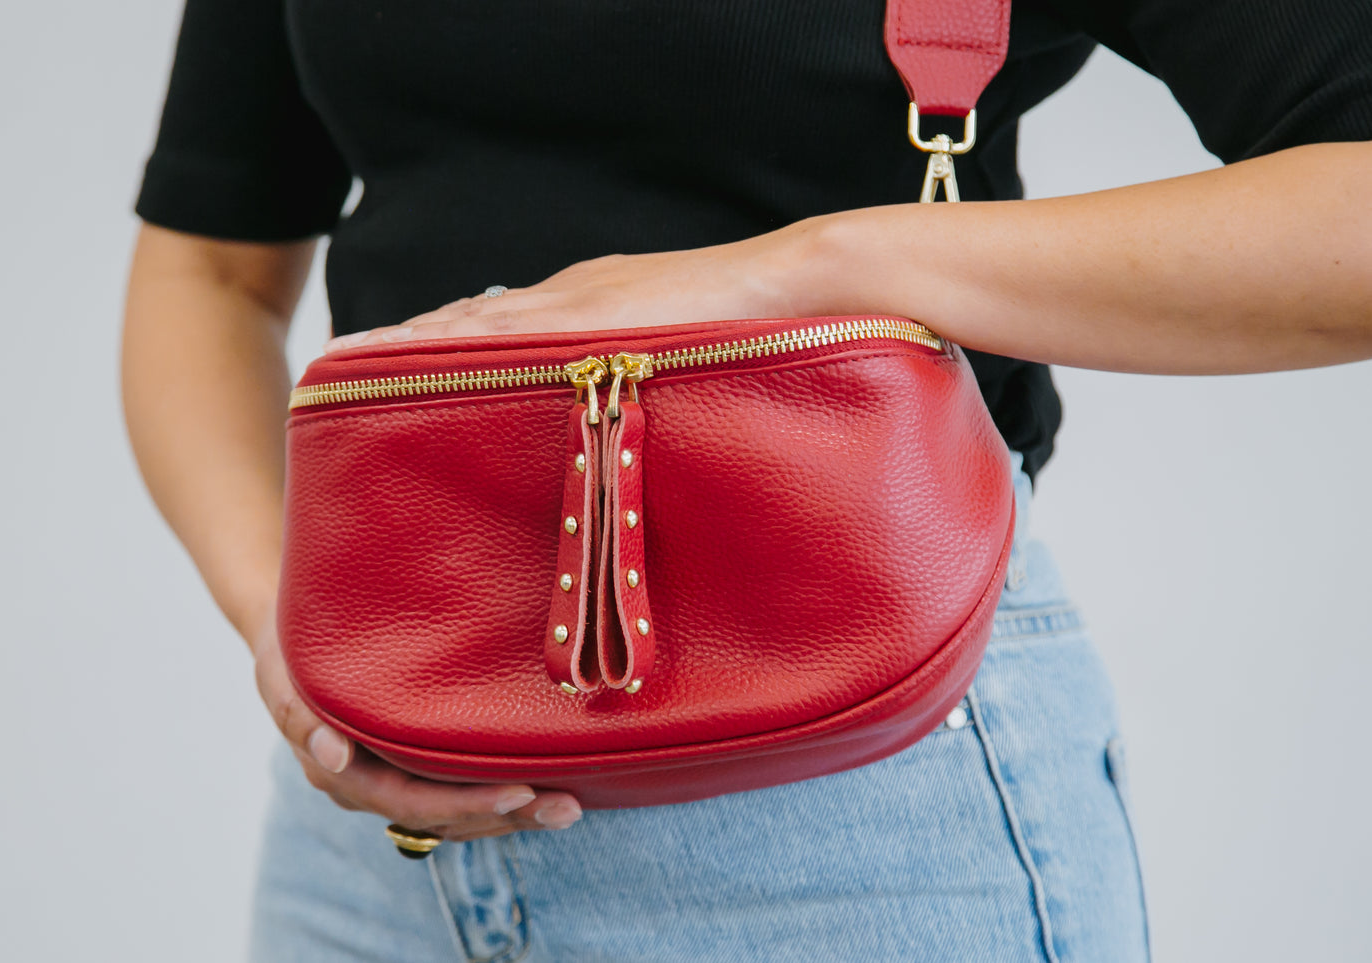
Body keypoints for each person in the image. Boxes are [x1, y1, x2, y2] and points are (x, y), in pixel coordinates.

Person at [122, 1, 1371, 959]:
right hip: (373, 835)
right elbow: (209, 275)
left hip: (859, 805)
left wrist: (809, 269)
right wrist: (282, 623)